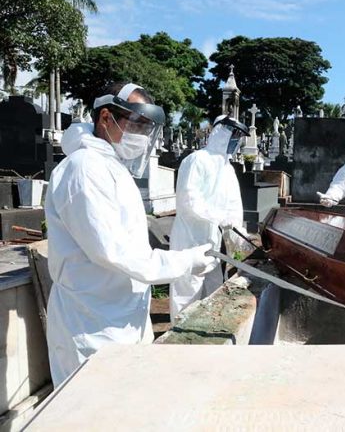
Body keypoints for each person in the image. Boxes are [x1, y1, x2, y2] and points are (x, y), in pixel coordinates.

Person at [45, 82, 216, 386]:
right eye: (136, 124)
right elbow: (114, 252)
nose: (142, 135)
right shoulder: (84, 170)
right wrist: (185, 261)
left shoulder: (110, 166)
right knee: (90, 412)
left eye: (147, 127)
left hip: (122, 315)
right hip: (92, 323)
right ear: (106, 118)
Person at [169, 115, 250, 319]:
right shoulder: (197, 160)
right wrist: (219, 217)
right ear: (220, 133)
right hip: (190, 239)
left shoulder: (227, 169)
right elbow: (189, 200)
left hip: (213, 241)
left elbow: (234, 209)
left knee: (214, 290)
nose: (236, 140)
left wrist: (240, 238)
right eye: (234, 134)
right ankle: (180, 340)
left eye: (239, 137)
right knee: (187, 291)